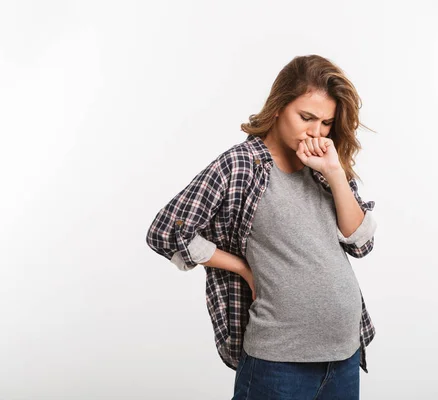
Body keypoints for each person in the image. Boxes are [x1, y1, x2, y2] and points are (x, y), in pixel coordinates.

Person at [146, 54, 378, 399]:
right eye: (306, 117)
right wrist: (240, 266)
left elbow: (360, 243)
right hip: (279, 361)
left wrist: (334, 173)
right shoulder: (241, 165)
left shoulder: (325, 166)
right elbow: (166, 231)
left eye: (326, 122)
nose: (316, 132)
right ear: (279, 107)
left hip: (344, 353)